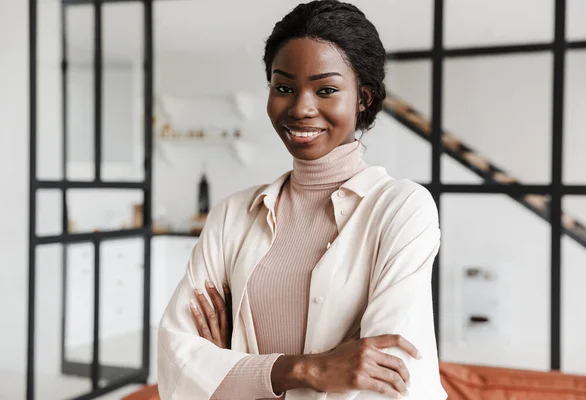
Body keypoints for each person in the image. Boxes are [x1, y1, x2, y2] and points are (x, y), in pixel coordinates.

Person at [157, 1, 447, 399]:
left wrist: (232, 366)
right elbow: (178, 361)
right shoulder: (232, 214)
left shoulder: (400, 209)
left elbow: (387, 379)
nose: (300, 108)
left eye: (326, 89)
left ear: (362, 97)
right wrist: (309, 369)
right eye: (283, 87)